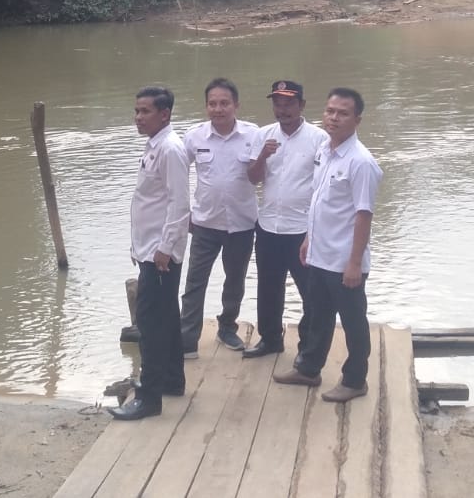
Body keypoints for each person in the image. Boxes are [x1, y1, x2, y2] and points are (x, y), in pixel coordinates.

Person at [273, 88, 383, 404]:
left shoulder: (360, 162)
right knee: (317, 315)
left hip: (344, 259)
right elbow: (319, 202)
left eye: (343, 113)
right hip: (320, 254)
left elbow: (363, 216)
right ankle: (309, 368)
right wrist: (309, 238)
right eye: (331, 111)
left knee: (353, 322)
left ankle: (354, 380)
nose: (334, 118)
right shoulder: (325, 150)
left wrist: (354, 263)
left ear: (357, 119)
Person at [112, 86, 190, 421]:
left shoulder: (171, 149)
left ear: (165, 114)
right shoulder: (156, 145)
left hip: (159, 254)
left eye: (145, 112)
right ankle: (172, 379)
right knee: (167, 318)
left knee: (151, 325)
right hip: (150, 249)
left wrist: (164, 248)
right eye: (136, 111)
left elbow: (180, 204)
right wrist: (140, 246)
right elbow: (151, 201)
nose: (138, 118)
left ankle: (149, 398)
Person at [243, 80, 329, 359]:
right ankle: (270, 339)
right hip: (268, 225)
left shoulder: (319, 138)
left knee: (311, 293)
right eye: (278, 104)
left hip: (302, 229)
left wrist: (314, 232)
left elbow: (324, 187)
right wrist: (262, 156)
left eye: (289, 103)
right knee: (268, 287)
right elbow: (253, 179)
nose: (283, 109)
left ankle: (307, 347)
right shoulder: (263, 135)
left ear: (302, 105)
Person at [180, 78, 259, 357]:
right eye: (212, 103)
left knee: (235, 280)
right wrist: (182, 211)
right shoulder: (194, 136)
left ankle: (227, 327)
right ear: (206, 106)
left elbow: (263, 176)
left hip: (242, 224)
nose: (218, 109)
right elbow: (177, 173)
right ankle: (187, 339)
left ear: (236, 105)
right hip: (204, 224)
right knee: (194, 283)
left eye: (224, 103)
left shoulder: (253, 135)